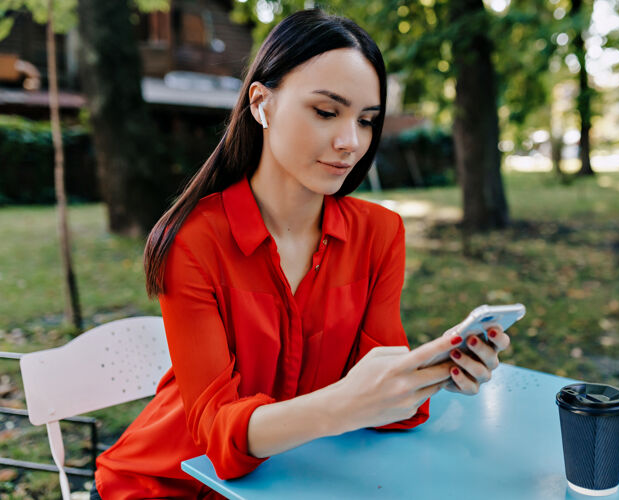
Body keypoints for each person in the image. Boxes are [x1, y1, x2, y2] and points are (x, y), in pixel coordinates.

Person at [91, 9, 511, 499]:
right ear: (262, 104)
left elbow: (378, 396)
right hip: (165, 483)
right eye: (326, 112)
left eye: (367, 120)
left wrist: (438, 372)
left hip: (294, 477)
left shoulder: (380, 234)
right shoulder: (192, 241)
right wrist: (347, 404)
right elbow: (217, 432)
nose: (350, 142)